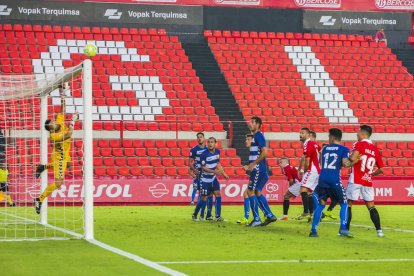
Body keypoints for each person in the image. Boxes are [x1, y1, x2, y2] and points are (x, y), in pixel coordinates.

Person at [35, 84, 79, 214]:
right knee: (59, 183)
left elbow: (63, 109)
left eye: (53, 122)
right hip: (59, 157)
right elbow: (68, 134)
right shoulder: (54, 136)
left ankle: (44, 167)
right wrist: (72, 121)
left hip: (65, 154)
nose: (54, 123)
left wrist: (62, 94)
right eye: (52, 125)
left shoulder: (59, 121)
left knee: (70, 165)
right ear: (51, 129)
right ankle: (40, 199)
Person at [309, 128, 353, 238]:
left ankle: (313, 230)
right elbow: (345, 164)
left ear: (333, 137)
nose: (328, 138)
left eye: (329, 136)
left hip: (322, 179)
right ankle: (343, 228)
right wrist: (354, 160)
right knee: (344, 203)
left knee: (321, 205)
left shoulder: (324, 148)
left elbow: (322, 163)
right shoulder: (343, 149)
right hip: (334, 180)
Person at [345, 125, 385, 237]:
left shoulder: (359, 144)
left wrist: (348, 159)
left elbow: (353, 158)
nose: (356, 134)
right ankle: (379, 231)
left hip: (356, 179)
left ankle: (345, 229)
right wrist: (371, 174)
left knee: (348, 204)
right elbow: (381, 169)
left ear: (363, 134)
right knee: (371, 206)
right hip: (367, 180)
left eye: (358, 132)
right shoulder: (375, 149)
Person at [243, 116, 277, 227]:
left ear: (258, 124)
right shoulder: (255, 137)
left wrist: (253, 164)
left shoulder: (259, 136)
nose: (250, 124)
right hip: (260, 169)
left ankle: (257, 218)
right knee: (257, 192)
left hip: (258, 169)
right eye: (250, 122)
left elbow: (265, 152)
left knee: (250, 192)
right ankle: (269, 215)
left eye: (252, 122)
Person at [192, 137, 229, 221]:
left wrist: (224, 174)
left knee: (218, 195)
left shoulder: (217, 152)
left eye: (212, 142)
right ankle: (195, 214)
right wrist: (214, 172)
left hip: (213, 179)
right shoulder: (204, 154)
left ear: (215, 143)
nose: (210, 144)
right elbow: (203, 167)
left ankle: (217, 216)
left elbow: (218, 163)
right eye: (208, 142)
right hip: (204, 180)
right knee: (204, 198)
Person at [311, 131, 338, 220]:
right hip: (322, 176)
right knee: (317, 195)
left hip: (329, 176)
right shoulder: (320, 154)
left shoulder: (328, 155)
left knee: (334, 197)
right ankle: (316, 212)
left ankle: (326, 212)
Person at [296, 127, 320, 221]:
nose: (300, 135)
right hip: (317, 170)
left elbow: (307, 160)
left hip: (312, 170)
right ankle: (312, 213)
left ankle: (306, 212)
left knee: (303, 190)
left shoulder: (307, 144)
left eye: (302, 133)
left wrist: (305, 172)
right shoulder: (315, 144)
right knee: (309, 192)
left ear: (308, 135)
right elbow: (321, 152)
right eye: (300, 133)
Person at [0, 128, 14, 207]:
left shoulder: (6, 171)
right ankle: (10, 202)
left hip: (3, 183)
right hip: (1, 182)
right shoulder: (3, 170)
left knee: (7, 192)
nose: (4, 166)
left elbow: (7, 177)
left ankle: (11, 203)